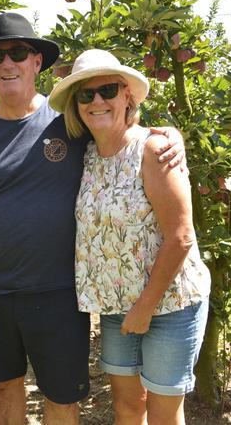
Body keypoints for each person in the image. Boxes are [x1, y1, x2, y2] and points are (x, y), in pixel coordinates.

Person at [0, 12, 186, 425]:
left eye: (18, 53)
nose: (8, 63)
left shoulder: (70, 122)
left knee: (60, 396)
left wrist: (167, 134)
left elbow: (122, 129)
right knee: (4, 386)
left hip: (59, 292)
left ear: (36, 62)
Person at [49, 49, 211, 425]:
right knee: (127, 406)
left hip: (170, 304)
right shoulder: (84, 154)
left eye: (106, 90)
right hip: (115, 304)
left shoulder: (154, 150)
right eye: (86, 95)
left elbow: (181, 236)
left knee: (163, 412)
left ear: (127, 96)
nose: (97, 101)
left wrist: (144, 308)